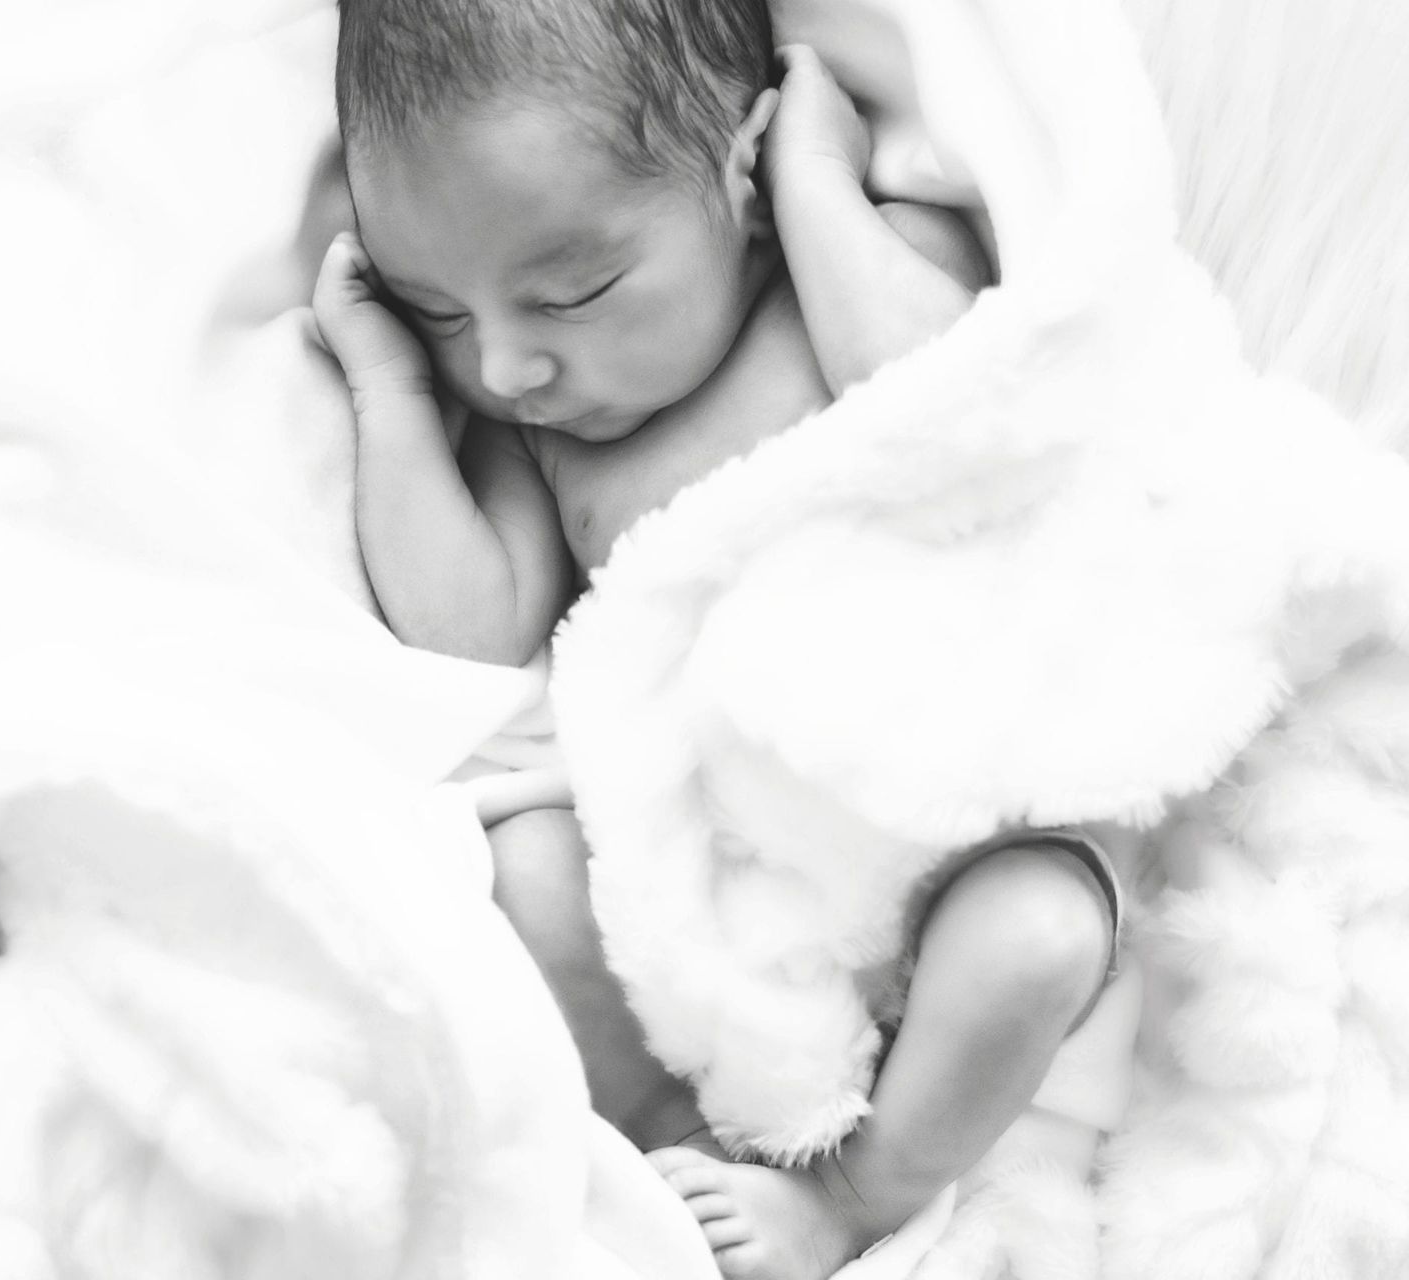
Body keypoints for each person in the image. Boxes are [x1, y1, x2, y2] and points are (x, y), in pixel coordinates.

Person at [313, 2, 1126, 1277]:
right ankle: (682, 1154)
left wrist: (812, 187)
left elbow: (957, 405)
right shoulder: (546, 428)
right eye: (442, 312)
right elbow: (465, 627)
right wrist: (391, 385)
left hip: (956, 823)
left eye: (570, 290)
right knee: (522, 868)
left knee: (1037, 932)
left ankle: (858, 1189)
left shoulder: (851, 274)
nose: (513, 363)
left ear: (738, 185)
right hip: (731, 891)